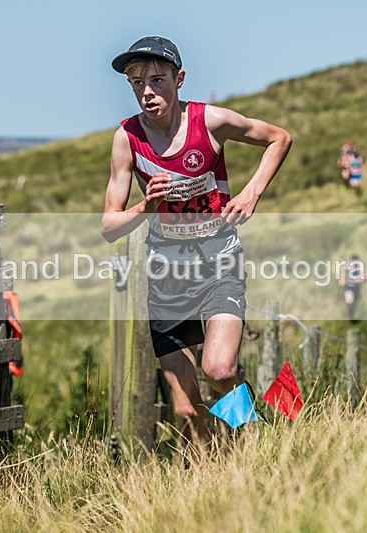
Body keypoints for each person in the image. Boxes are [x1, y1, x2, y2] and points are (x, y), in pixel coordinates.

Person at [101, 36, 292, 448]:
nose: (147, 92)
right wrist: (146, 207)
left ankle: (251, 438)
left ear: (179, 78)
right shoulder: (127, 139)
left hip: (218, 260)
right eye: (137, 83)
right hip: (166, 272)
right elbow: (108, 226)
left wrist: (251, 193)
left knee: (220, 370)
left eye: (157, 80)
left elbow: (279, 138)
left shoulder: (209, 122)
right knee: (186, 408)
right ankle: (214, 474)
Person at [339, 254, 365, 323]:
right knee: (350, 301)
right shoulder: (346, 268)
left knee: (354, 305)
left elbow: (365, 277)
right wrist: (344, 280)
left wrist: (355, 280)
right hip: (349, 289)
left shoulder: (360, 268)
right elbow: (341, 282)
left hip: (356, 289)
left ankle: (350, 316)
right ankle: (348, 316)